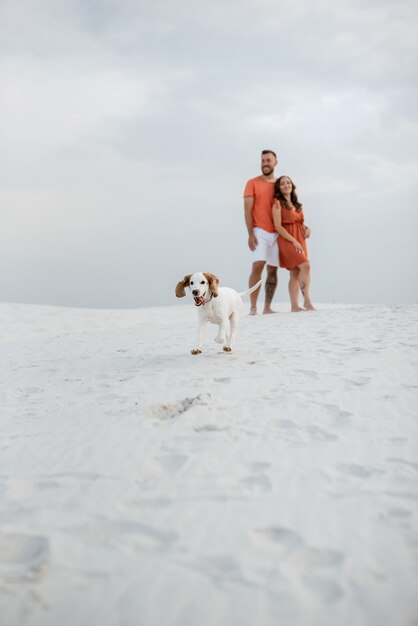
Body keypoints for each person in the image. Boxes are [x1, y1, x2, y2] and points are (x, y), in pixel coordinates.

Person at [243, 150, 279, 315]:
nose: (265, 163)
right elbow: (247, 210)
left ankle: (267, 307)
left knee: (273, 270)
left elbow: (291, 206)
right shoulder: (252, 183)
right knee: (258, 266)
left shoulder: (280, 184)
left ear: (275, 163)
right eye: (263, 160)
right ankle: (253, 307)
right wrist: (250, 233)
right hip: (259, 231)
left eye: (268, 160)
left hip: (278, 232)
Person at [272, 175, 315, 311]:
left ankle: (294, 306)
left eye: (288, 183)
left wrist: (307, 229)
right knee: (306, 265)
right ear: (279, 188)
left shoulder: (297, 205)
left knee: (295, 272)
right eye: (283, 184)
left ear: (292, 185)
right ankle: (307, 301)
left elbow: (300, 222)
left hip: (299, 238)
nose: (286, 185)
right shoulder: (277, 204)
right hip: (287, 239)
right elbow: (278, 226)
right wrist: (294, 241)